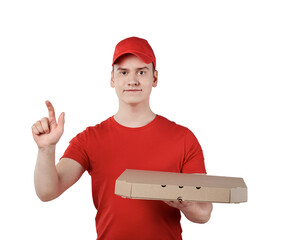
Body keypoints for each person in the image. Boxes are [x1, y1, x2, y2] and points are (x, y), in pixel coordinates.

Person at [32, 36, 213, 240]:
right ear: (112, 78)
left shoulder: (184, 138)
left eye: (141, 72)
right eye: (124, 72)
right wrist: (46, 149)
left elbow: (204, 212)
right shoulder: (89, 139)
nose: (132, 80)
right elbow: (47, 192)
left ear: (155, 78)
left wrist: (188, 205)